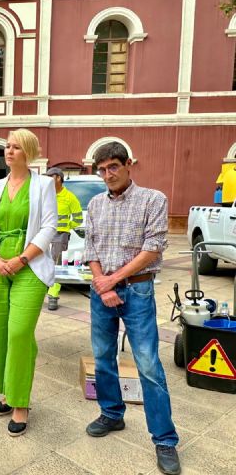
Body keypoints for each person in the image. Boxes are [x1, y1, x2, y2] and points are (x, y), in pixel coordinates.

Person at [83, 142, 180, 475]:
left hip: (137, 290)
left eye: (113, 167)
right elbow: (90, 245)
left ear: (128, 165)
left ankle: (165, 439)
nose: (107, 174)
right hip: (102, 292)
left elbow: (153, 247)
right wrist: (101, 282)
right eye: (102, 169)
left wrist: (114, 281)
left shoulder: (153, 199)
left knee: (148, 364)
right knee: (102, 357)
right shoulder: (95, 204)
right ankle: (112, 413)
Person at [0, 129, 57, 437]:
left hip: (30, 267)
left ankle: (21, 401)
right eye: (7, 147)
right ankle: (8, 391)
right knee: (0, 333)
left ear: (29, 152)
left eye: (16, 147)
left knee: (20, 331)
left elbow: (50, 226)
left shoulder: (44, 184)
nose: (9, 152)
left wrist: (20, 259)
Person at [44, 167, 83, 310]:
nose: (47, 179)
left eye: (50, 177)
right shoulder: (45, 194)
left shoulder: (70, 197)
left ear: (58, 178)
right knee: (40, 262)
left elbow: (78, 218)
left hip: (60, 235)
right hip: (43, 234)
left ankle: (53, 296)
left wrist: (66, 227)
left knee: (56, 265)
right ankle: (41, 289)